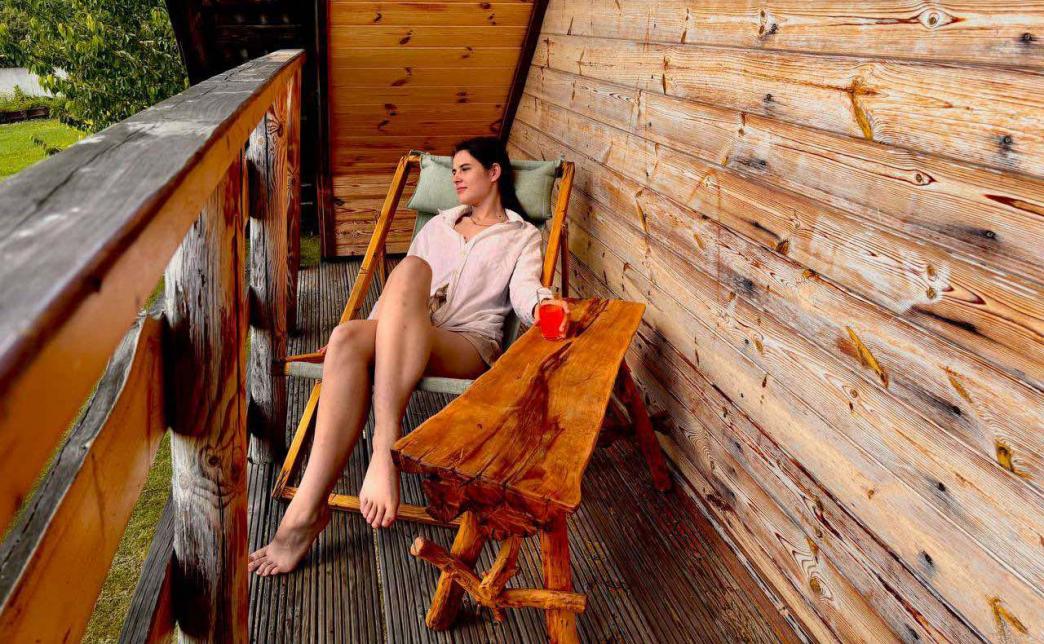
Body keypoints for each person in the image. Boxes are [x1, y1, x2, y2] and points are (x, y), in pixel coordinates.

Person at [248, 137, 570, 576]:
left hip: (466, 342)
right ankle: (307, 509)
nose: (455, 178)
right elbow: (397, 297)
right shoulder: (438, 226)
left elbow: (525, 289)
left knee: (411, 270)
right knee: (347, 335)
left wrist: (543, 307)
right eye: (452, 170)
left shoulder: (521, 235)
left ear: (494, 172)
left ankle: (384, 449)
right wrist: (366, 335)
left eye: (465, 169)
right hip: (410, 333)